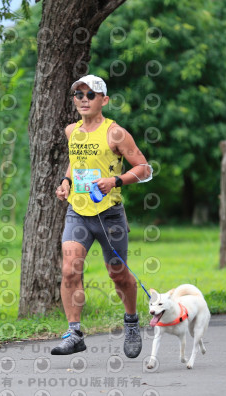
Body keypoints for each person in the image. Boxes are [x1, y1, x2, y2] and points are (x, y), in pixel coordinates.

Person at [52, 75, 152, 357]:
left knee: (118, 275)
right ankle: (74, 333)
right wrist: (66, 182)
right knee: (70, 269)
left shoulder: (116, 133)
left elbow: (144, 169)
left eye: (90, 95)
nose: (83, 99)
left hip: (109, 216)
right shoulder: (72, 131)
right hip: (78, 213)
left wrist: (115, 181)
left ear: (104, 100)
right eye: (78, 94)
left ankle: (131, 322)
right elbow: (76, 162)